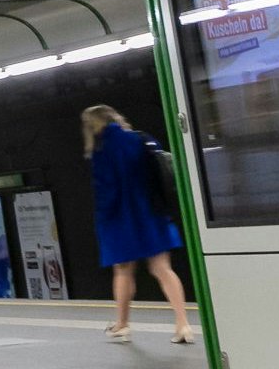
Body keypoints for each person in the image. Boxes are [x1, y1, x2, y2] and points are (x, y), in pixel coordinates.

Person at [83, 105, 196, 345]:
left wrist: (103, 222)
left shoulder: (102, 150)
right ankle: (183, 324)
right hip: (152, 214)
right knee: (163, 269)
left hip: (121, 219)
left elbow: (106, 190)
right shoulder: (142, 139)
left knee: (123, 271)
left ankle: (122, 324)